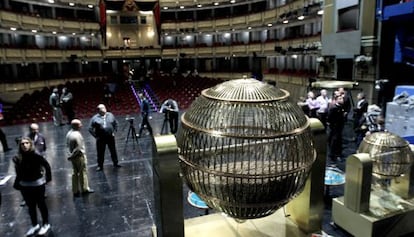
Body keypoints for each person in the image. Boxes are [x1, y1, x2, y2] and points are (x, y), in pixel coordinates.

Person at [12, 137, 52, 236]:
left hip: (37, 184)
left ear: (30, 144)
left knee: (41, 205)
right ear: (20, 146)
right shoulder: (18, 157)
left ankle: (46, 223)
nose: (25, 145)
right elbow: (19, 173)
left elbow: (47, 165)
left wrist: (48, 178)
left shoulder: (36, 155)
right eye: (22, 144)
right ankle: (34, 225)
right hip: (25, 186)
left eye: (26, 143)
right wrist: (18, 183)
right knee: (31, 207)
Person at [88, 104, 121, 171]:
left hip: (110, 137)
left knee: (113, 150)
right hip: (101, 138)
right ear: (98, 110)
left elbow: (115, 123)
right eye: (102, 108)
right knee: (100, 152)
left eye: (104, 107)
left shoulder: (110, 115)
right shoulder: (94, 118)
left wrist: (114, 132)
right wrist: (95, 136)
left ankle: (115, 163)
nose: (104, 109)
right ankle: (100, 165)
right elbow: (90, 128)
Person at [66, 119, 94, 197]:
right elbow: (78, 148)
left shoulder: (69, 133)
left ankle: (75, 190)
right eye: (80, 124)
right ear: (76, 126)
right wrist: (72, 156)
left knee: (74, 173)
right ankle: (85, 189)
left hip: (72, 157)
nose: (81, 125)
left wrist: (69, 156)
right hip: (79, 157)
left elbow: (67, 146)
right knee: (83, 172)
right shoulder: (77, 135)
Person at [327, 95, 346, 163]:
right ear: (336, 100)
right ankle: (332, 155)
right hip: (335, 127)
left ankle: (338, 153)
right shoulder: (334, 108)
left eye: (342, 99)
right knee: (333, 141)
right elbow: (330, 118)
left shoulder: (341, 107)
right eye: (340, 99)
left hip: (339, 127)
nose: (342, 100)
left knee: (338, 141)